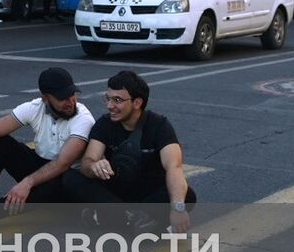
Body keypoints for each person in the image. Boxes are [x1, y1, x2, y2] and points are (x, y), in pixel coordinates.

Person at [62, 70, 196, 230]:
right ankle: (132, 217)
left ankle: (116, 216)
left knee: (186, 196)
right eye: (108, 98)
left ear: (137, 103)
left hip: (147, 192)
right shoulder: (105, 124)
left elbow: (174, 167)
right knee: (70, 177)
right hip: (115, 191)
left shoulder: (159, 126)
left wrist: (177, 208)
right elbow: (88, 161)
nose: (110, 105)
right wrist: (93, 166)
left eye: (117, 100)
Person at [0, 67, 94, 215]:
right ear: (45, 98)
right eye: (62, 98)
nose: (71, 102)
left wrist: (27, 183)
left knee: (58, 182)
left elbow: (62, 163)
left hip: (66, 178)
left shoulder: (83, 118)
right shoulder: (35, 107)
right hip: (41, 165)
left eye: (72, 94)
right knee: (0, 143)